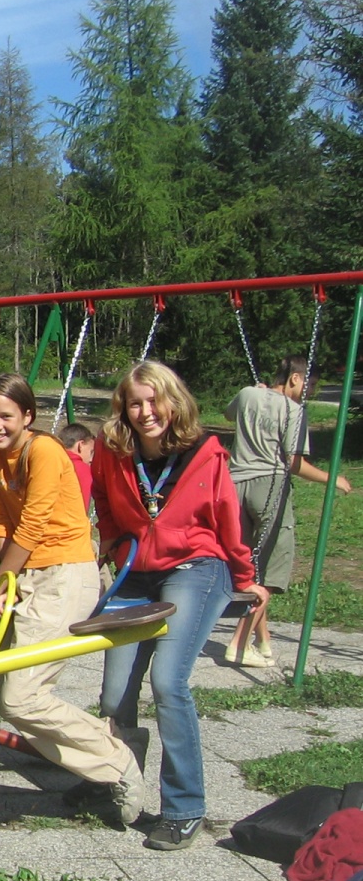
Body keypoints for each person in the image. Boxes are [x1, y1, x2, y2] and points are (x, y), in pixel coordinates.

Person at [92, 361, 269, 851]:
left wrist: (246, 579)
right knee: (113, 695)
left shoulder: (205, 454)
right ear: (123, 408)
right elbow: (102, 496)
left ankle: (184, 807)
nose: (147, 412)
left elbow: (227, 518)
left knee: (168, 682)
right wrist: (112, 543)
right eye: (135, 402)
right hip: (136, 571)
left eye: (155, 401)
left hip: (197, 567)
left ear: (173, 402)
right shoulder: (114, 450)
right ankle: (119, 780)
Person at [0, 374, 145, 826]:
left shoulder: (44, 450)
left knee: (23, 695)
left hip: (66, 574)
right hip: (30, 574)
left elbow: (32, 523)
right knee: (10, 698)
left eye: (5, 416)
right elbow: (2, 515)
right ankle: (104, 763)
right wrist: (8, 581)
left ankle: (116, 761)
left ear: (28, 416)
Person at [224, 356, 353, 667]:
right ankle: (239, 645)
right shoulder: (295, 411)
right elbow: (294, 463)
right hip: (270, 487)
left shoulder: (247, 394)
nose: (310, 391)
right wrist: (333, 478)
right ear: (295, 378)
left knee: (249, 566)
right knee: (270, 570)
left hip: (235, 486)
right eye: (310, 384)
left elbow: (230, 416)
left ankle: (262, 640)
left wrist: (257, 390)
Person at [57, 421, 96, 512]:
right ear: (80, 445)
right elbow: (82, 508)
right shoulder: (82, 469)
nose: (91, 460)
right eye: (91, 452)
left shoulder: (50, 461)